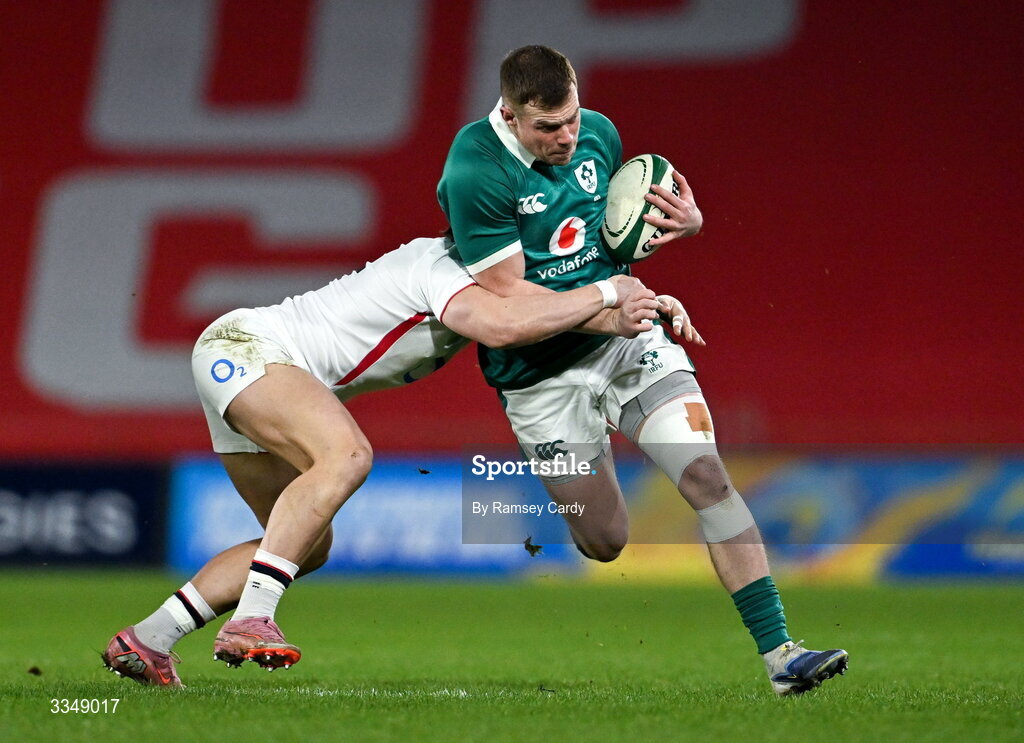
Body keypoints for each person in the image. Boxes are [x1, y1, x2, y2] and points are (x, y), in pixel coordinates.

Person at [101, 234, 698, 687]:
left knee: (303, 546)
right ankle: (253, 617)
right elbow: (506, 326)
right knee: (348, 454)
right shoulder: (441, 267)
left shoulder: (495, 283)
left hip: (251, 366)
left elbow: (545, 311)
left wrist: (632, 315)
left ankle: (149, 639)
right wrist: (608, 293)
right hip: (250, 350)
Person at [436, 45, 847, 695]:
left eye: (571, 117)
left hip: (627, 344)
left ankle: (781, 655)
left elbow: (610, 238)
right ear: (510, 116)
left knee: (707, 475)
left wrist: (684, 225)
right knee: (605, 539)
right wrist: (608, 304)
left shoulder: (599, 136)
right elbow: (508, 299)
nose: (568, 137)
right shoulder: (474, 170)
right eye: (548, 128)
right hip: (538, 376)